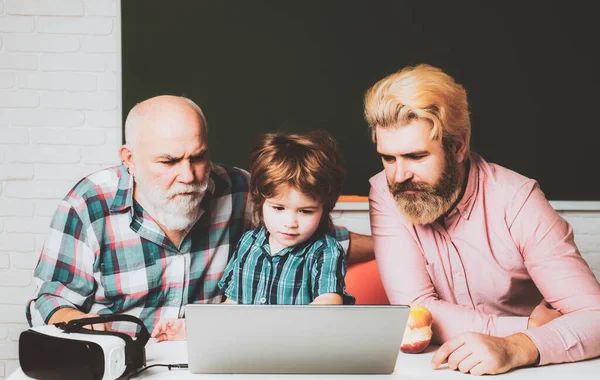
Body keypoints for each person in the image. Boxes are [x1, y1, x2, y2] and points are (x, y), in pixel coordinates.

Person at [26, 95, 372, 334]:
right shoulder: (90, 203)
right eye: (169, 161)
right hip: (124, 359)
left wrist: (404, 245)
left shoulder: (238, 189)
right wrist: (81, 323)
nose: (189, 176)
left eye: (198, 157)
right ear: (129, 159)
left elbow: (313, 238)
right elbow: (50, 299)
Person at [364, 64, 600, 375]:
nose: (399, 175)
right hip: (436, 369)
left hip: (532, 371)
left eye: (417, 157)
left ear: (458, 145)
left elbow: (595, 316)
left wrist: (516, 347)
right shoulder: (385, 192)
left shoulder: (518, 200)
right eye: (388, 158)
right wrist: (525, 326)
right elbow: (414, 311)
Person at [152, 131, 356, 341]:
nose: (290, 222)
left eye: (306, 211)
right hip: (249, 347)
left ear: (324, 209)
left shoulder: (325, 251)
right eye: (278, 208)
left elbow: (329, 303)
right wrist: (193, 328)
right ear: (260, 200)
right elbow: (232, 305)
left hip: (301, 348)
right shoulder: (249, 243)